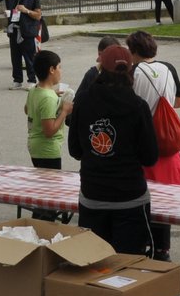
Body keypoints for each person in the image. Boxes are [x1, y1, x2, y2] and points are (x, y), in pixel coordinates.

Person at [67, 44, 157, 257]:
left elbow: (75, 150)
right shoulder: (137, 106)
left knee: (93, 265)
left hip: (93, 195)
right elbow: (150, 156)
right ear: (130, 70)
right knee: (128, 267)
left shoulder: (83, 101)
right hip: (129, 197)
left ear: (101, 68)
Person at [128, 29, 180, 259]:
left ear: (133, 51)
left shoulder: (134, 72)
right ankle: (163, 248)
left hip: (143, 141)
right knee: (166, 198)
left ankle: (142, 244)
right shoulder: (168, 68)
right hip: (167, 142)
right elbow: (179, 102)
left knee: (144, 196)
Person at [25, 49, 73, 221]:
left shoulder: (35, 90)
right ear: (51, 70)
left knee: (43, 189)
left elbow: (27, 109)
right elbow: (49, 130)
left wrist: (54, 97)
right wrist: (64, 111)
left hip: (34, 145)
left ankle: (40, 221)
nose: (61, 71)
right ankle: (43, 226)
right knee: (49, 195)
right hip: (47, 149)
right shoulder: (48, 98)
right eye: (60, 67)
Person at [4, 0, 44, 89]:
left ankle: (32, 80)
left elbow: (38, 16)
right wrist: (8, 14)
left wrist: (26, 10)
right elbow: (12, 13)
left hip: (27, 32)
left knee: (29, 57)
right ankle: (17, 80)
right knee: (15, 57)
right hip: (14, 30)